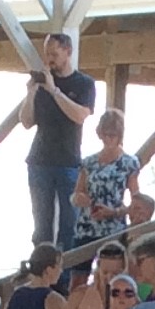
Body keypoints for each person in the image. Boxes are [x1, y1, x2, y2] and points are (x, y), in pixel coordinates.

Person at [22, 31, 98, 248]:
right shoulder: (44, 82)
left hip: (68, 160)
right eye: (47, 54)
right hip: (40, 159)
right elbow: (26, 121)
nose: (50, 59)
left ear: (68, 52)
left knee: (69, 220)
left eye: (54, 53)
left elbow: (80, 115)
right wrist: (31, 93)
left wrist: (54, 91)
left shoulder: (84, 83)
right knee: (41, 220)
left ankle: (65, 270)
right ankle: (41, 261)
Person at [71, 108, 141, 248]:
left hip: (113, 230)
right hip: (86, 228)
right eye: (105, 134)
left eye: (113, 135)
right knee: (78, 269)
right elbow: (76, 194)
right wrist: (79, 198)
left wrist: (114, 212)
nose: (108, 139)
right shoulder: (88, 162)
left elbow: (137, 202)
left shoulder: (129, 163)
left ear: (120, 135)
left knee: (113, 268)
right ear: (100, 134)